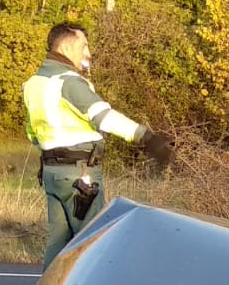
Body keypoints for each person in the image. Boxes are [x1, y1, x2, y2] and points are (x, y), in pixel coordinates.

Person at [23, 22, 175, 267]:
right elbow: (105, 117)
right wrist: (147, 139)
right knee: (92, 244)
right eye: (84, 46)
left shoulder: (34, 84)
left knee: (59, 246)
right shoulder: (68, 82)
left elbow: (32, 133)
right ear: (67, 47)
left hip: (52, 173)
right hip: (80, 175)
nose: (88, 54)